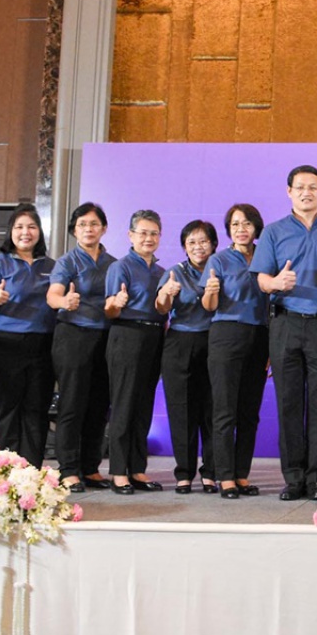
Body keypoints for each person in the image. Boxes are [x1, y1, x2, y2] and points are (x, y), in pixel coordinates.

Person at [252, 165, 317, 502]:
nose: (306, 192)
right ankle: (293, 478)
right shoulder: (274, 231)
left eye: (312, 187)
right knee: (289, 403)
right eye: (299, 187)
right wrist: (275, 283)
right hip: (286, 323)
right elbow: (261, 279)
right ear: (289, 192)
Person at [0, 203, 56, 467]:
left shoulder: (51, 265)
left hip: (42, 344)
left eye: (31, 227)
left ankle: (32, 469)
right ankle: (9, 468)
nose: (26, 232)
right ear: (10, 231)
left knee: (37, 408)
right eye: (19, 227)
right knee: (8, 407)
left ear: (39, 232)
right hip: (5, 343)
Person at [48, 202, 117, 492]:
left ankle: (90, 467)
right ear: (74, 230)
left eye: (94, 224)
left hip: (106, 338)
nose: (88, 229)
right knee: (72, 403)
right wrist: (64, 301)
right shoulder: (67, 261)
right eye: (82, 225)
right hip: (73, 337)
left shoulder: (113, 263)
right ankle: (68, 469)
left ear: (104, 228)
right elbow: (53, 295)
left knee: (99, 405)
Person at [202, 204, 269, 500]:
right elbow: (209, 306)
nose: (241, 229)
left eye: (247, 224)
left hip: (260, 336)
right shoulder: (218, 259)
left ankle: (242, 474)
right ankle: (225, 476)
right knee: (225, 410)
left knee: (250, 412)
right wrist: (211, 291)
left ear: (256, 228)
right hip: (226, 334)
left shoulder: (266, 256)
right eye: (235, 224)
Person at [104, 210, 168, 494]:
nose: (148, 238)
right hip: (127, 334)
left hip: (154, 335)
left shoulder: (162, 272)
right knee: (124, 403)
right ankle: (119, 471)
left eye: (154, 233)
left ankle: (137, 469)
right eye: (142, 233)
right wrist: (116, 302)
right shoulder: (121, 267)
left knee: (144, 405)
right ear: (130, 235)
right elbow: (110, 309)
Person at [157, 220, 217, 494]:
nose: (197, 247)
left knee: (213, 409)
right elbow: (161, 307)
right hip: (180, 343)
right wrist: (166, 294)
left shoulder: (221, 268)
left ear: (213, 244)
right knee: (181, 410)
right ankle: (184, 473)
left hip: (214, 342)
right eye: (191, 242)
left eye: (203, 241)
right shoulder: (175, 272)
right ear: (184, 247)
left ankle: (211, 472)